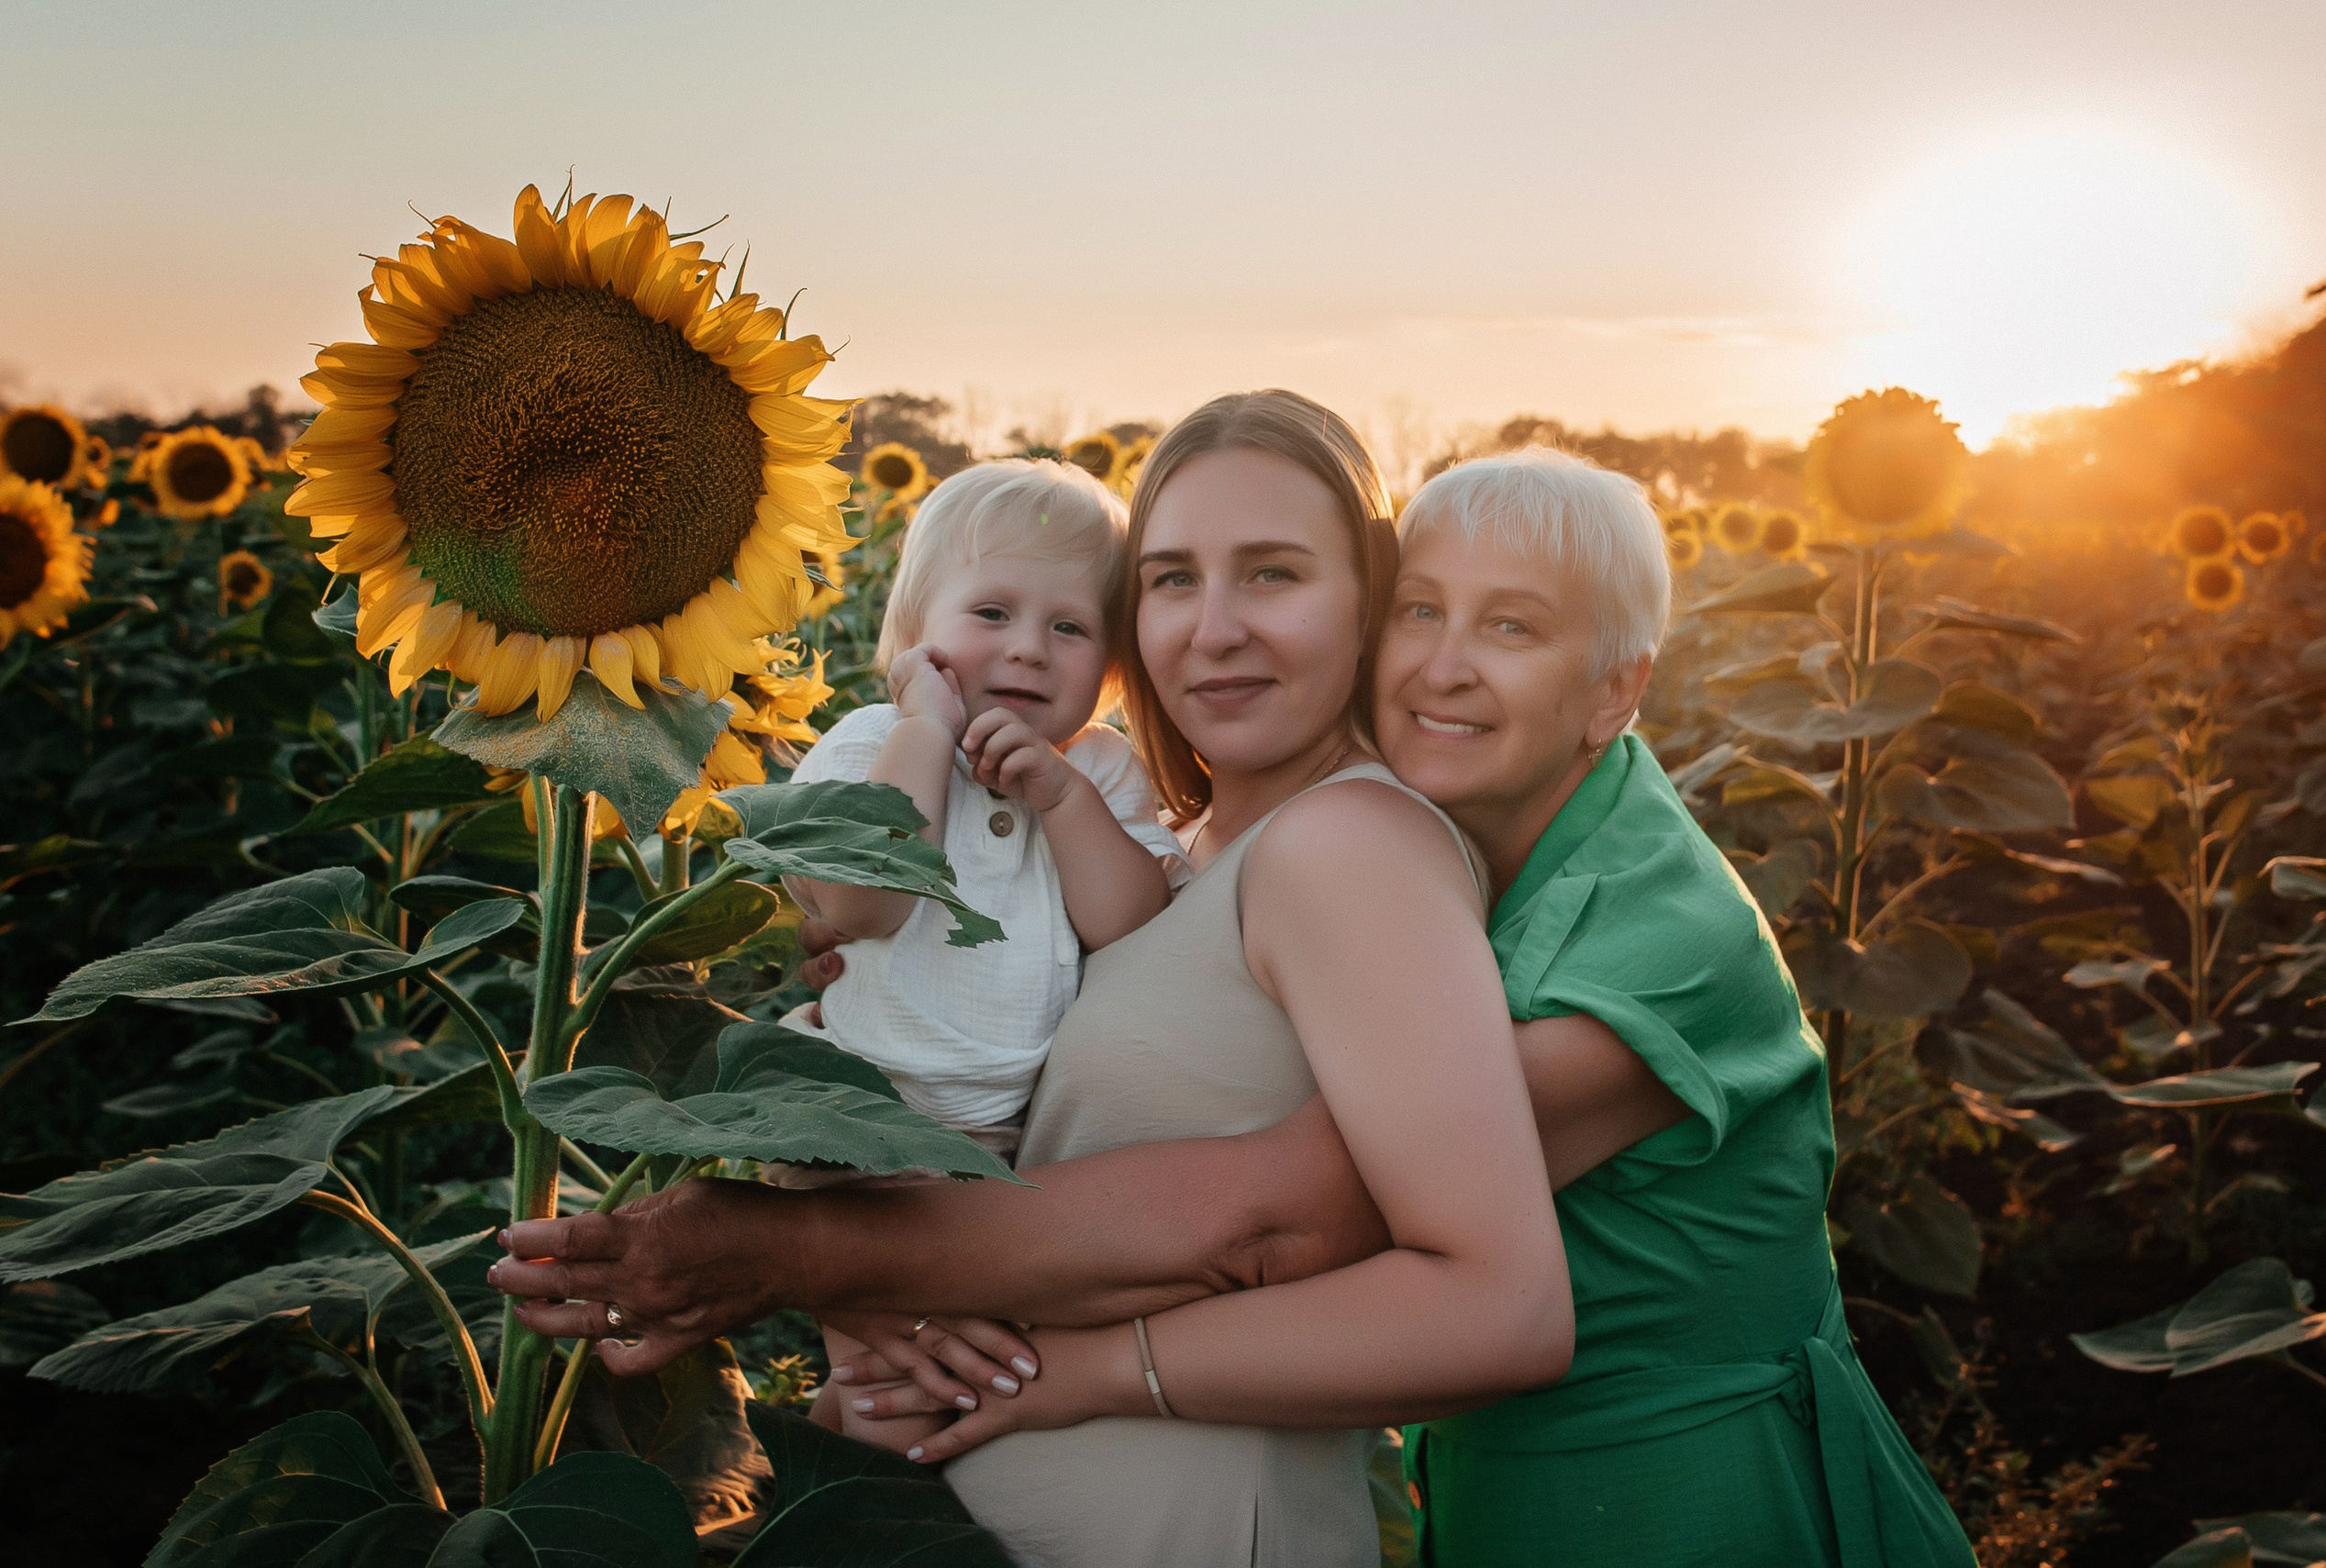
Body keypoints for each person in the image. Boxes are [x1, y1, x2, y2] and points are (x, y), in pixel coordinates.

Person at [494, 440, 1973, 1566]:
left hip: (1680, 1490)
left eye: (1513, 630)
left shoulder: (1639, 936)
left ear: (1616, 689)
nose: (1445, 666)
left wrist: (814, 1255)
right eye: (1172, 580)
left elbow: (1285, 1212)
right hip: (1471, 1477)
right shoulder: (1192, 843)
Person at [771, 458, 1188, 1454]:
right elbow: (863, 901)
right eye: (991, 612)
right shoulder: (867, 744)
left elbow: (1129, 926)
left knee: (964, 1382)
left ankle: (838, 1484)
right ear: (916, 638)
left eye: (1070, 627)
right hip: (855, 1134)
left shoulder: (1097, 771)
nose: (1029, 651)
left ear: (1113, 666)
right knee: (890, 1382)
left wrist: (1063, 800)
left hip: (1019, 1154)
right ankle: (828, 1502)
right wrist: (924, 727)